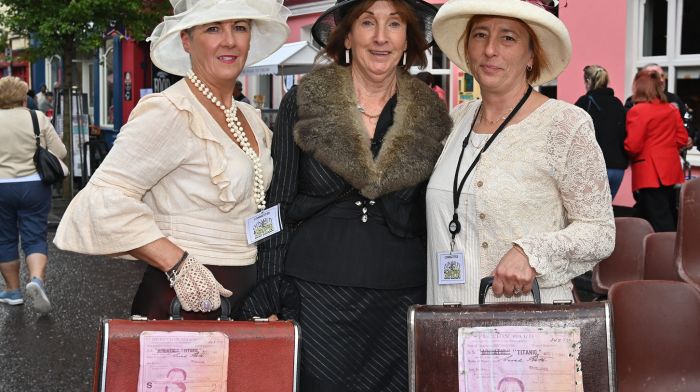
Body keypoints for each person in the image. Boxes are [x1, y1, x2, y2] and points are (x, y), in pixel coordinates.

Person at [244, 0, 451, 389]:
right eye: (367, 22)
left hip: (401, 302)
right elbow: (276, 206)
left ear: (407, 38)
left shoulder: (431, 114)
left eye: (393, 24)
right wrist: (268, 289)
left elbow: (434, 214)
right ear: (348, 35)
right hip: (314, 297)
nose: (380, 37)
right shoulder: (305, 100)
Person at [54, 0, 291, 319]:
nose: (230, 40)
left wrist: (266, 290)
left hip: (244, 300)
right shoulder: (170, 111)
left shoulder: (248, 116)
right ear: (186, 40)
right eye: (213, 28)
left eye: (240, 27)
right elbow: (99, 202)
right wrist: (178, 263)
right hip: (180, 306)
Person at [426, 0, 615, 305]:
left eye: (508, 38)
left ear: (531, 55)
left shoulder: (565, 124)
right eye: (480, 35)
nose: (490, 49)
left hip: (528, 329)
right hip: (448, 318)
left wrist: (532, 252)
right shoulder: (455, 120)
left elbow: (600, 233)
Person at [0, 76, 66, 314]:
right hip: (34, 186)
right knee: (35, 236)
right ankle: (36, 280)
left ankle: (13, 291)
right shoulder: (36, 118)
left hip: (2, 186)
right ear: (22, 97)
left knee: (5, 239)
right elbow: (60, 151)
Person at [625, 69, 688, 232]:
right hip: (670, 171)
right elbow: (682, 139)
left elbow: (633, 145)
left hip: (650, 173)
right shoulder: (671, 109)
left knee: (660, 222)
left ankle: (668, 255)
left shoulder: (638, 110)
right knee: (654, 215)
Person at [574, 65, 628, 198]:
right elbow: (623, 133)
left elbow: (573, 135)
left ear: (587, 81)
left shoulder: (584, 102)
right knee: (606, 211)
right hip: (617, 168)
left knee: (589, 212)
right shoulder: (617, 103)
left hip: (594, 167)